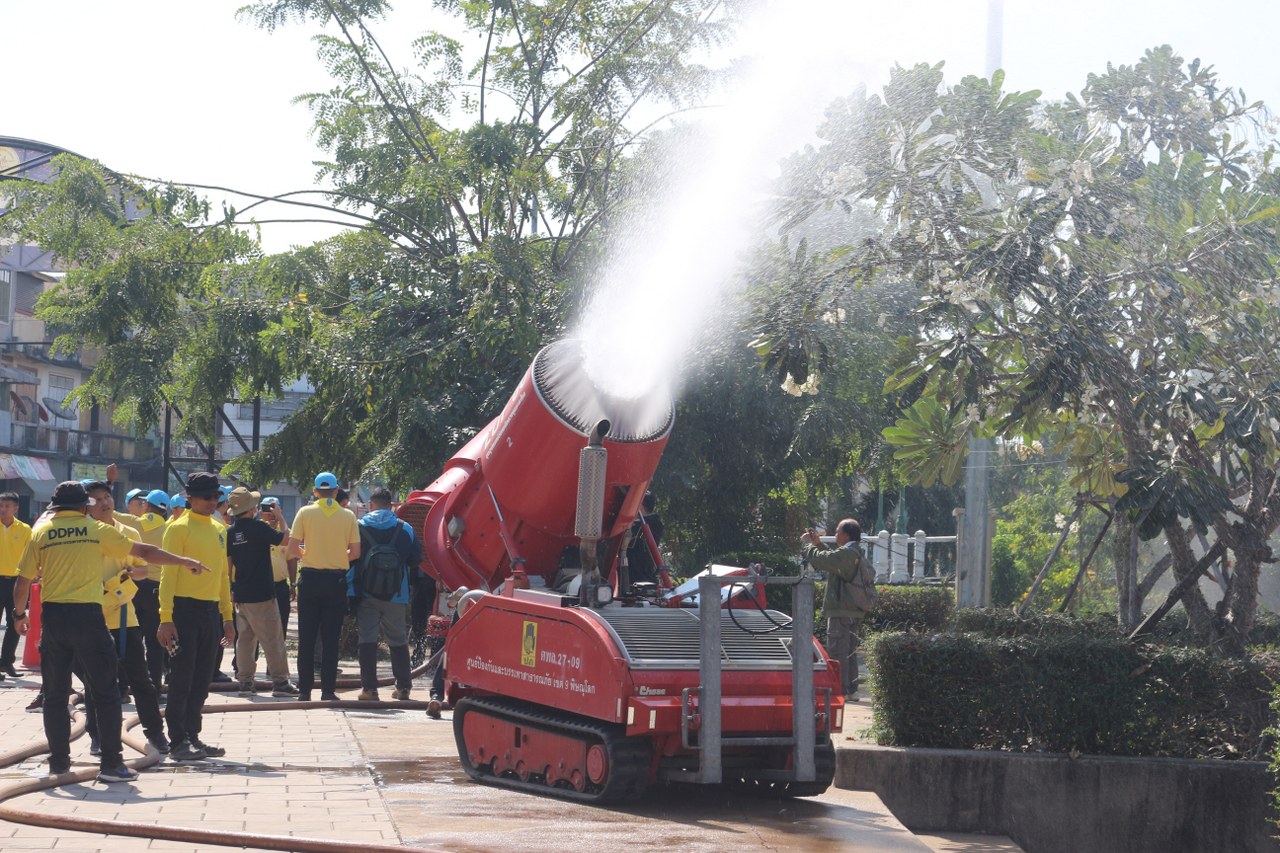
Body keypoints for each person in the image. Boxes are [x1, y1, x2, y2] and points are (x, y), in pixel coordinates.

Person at [12, 480, 209, 781]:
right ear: (84, 506)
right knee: (105, 691)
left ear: (55, 507)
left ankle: (59, 763)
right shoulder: (96, 530)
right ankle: (111, 765)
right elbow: (145, 552)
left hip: (54, 619)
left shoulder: (41, 532)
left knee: (55, 695)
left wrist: (19, 615)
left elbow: (23, 581)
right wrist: (183, 561)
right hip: (89, 617)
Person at [81, 480, 169, 755]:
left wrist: (131, 573)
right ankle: (97, 736)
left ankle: (155, 733)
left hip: (123, 616)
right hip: (93, 617)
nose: (104, 503)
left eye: (106, 497)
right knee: (95, 682)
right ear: (86, 506)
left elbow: (143, 569)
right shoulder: (84, 533)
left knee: (141, 679)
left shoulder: (128, 532)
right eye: (96, 500)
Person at [158, 472, 235, 761]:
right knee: (182, 677)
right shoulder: (178, 528)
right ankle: (177, 740)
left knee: (202, 679)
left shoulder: (219, 528)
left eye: (216, 496)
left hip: (209, 612)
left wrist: (227, 616)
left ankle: (192, 735)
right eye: (205, 497)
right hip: (183, 611)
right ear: (189, 498)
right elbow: (168, 574)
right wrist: (166, 617)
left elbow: (223, 576)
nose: (212, 501)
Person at [289, 472, 360, 702]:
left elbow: (292, 548)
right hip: (335, 582)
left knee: (306, 638)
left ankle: (304, 691)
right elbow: (355, 553)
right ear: (337, 491)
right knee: (331, 638)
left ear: (315, 491)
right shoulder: (348, 516)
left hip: (310, 579)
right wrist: (336, 557)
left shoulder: (304, 512)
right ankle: (328, 691)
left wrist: (307, 555)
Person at [349, 488, 421, 702]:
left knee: (367, 639)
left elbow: (352, 557)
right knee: (398, 640)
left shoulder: (359, 526)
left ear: (370, 505)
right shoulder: (405, 528)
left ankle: (369, 690)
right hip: (396, 593)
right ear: (391, 506)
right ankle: (404, 688)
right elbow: (416, 559)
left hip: (366, 593)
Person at [225, 486, 298, 697]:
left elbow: (228, 565)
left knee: (245, 640)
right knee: (273, 639)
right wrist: (280, 516)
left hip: (241, 593)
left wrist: (230, 590)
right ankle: (281, 683)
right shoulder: (259, 528)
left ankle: (245, 682)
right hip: (263, 593)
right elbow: (286, 539)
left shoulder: (230, 532)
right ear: (250, 509)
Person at [801, 518, 874, 698]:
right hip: (853, 610)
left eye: (837, 531)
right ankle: (851, 689)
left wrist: (807, 544)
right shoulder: (854, 552)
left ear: (846, 535)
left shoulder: (847, 553)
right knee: (849, 651)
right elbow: (832, 560)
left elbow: (822, 560)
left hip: (841, 610)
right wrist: (818, 544)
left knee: (837, 651)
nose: (835, 534)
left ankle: (839, 690)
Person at [131, 490, 172, 693]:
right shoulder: (169, 529)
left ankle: (126, 686)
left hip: (133, 585)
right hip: (157, 589)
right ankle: (155, 687)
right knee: (155, 643)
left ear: (146, 505)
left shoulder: (133, 524)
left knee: (131, 639)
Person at [0, 491, 31, 682]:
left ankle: (6, 662)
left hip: (17, 582)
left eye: (7, 506)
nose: (3, 509)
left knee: (15, 622)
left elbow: (30, 555)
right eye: (0, 505)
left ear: (16, 508)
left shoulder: (25, 530)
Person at [262, 497, 297, 643]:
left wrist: (293, 584)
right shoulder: (257, 529)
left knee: (280, 626)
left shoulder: (286, 533)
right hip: (261, 586)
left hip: (280, 586)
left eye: (273, 508)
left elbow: (291, 560)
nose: (270, 513)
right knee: (259, 628)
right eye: (266, 509)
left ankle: (277, 658)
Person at [625, 491, 664, 585]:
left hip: (638, 576)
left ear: (640, 505)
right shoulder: (652, 523)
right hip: (640, 575)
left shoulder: (647, 524)